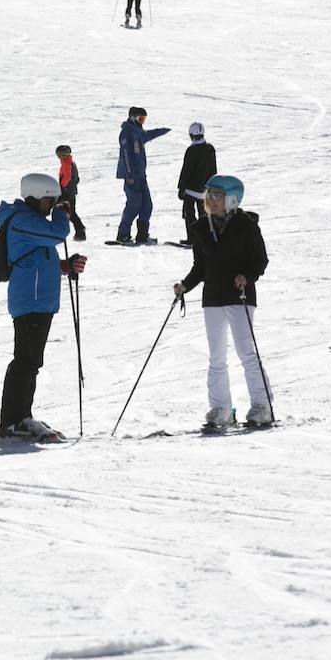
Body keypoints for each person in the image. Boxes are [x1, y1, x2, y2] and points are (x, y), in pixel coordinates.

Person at [174, 175, 272, 429]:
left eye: (217, 196)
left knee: (246, 352)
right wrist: (185, 285)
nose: (211, 200)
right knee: (216, 356)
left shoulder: (247, 225)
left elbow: (260, 260)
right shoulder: (201, 228)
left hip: (240, 296)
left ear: (232, 199)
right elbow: (200, 266)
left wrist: (247, 276)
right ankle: (221, 408)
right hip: (213, 297)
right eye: (209, 195)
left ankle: (262, 405)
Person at [0, 173, 85, 438]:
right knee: (25, 361)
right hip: (30, 301)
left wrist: (65, 266)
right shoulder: (22, 221)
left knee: (32, 361)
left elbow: (38, 258)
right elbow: (59, 233)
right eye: (49, 201)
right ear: (34, 198)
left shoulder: (30, 222)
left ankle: (23, 416)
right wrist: (62, 214)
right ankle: (13, 421)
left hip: (39, 300)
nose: (52, 206)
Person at [115, 106, 170, 244]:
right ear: (133, 118)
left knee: (147, 206)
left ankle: (142, 235)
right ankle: (123, 235)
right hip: (132, 178)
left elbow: (148, 135)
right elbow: (126, 155)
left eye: (144, 119)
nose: (142, 122)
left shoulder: (138, 132)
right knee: (133, 206)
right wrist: (129, 175)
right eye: (140, 119)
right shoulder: (127, 132)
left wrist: (162, 131)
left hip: (141, 176)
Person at [176, 123, 217, 244]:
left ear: (192, 135)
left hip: (191, 189)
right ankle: (205, 239)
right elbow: (213, 169)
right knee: (203, 214)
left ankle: (192, 238)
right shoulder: (210, 149)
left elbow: (186, 170)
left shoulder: (191, 150)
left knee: (189, 214)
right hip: (205, 190)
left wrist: (181, 188)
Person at [56, 145, 86, 242]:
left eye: (59, 154)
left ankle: (80, 231)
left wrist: (62, 187)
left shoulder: (67, 163)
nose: (58, 157)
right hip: (70, 191)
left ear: (65, 154)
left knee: (66, 211)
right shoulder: (69, 162)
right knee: (70, 211)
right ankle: (80, 230)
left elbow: (67, 177)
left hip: (67, 192)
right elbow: (76, 178)